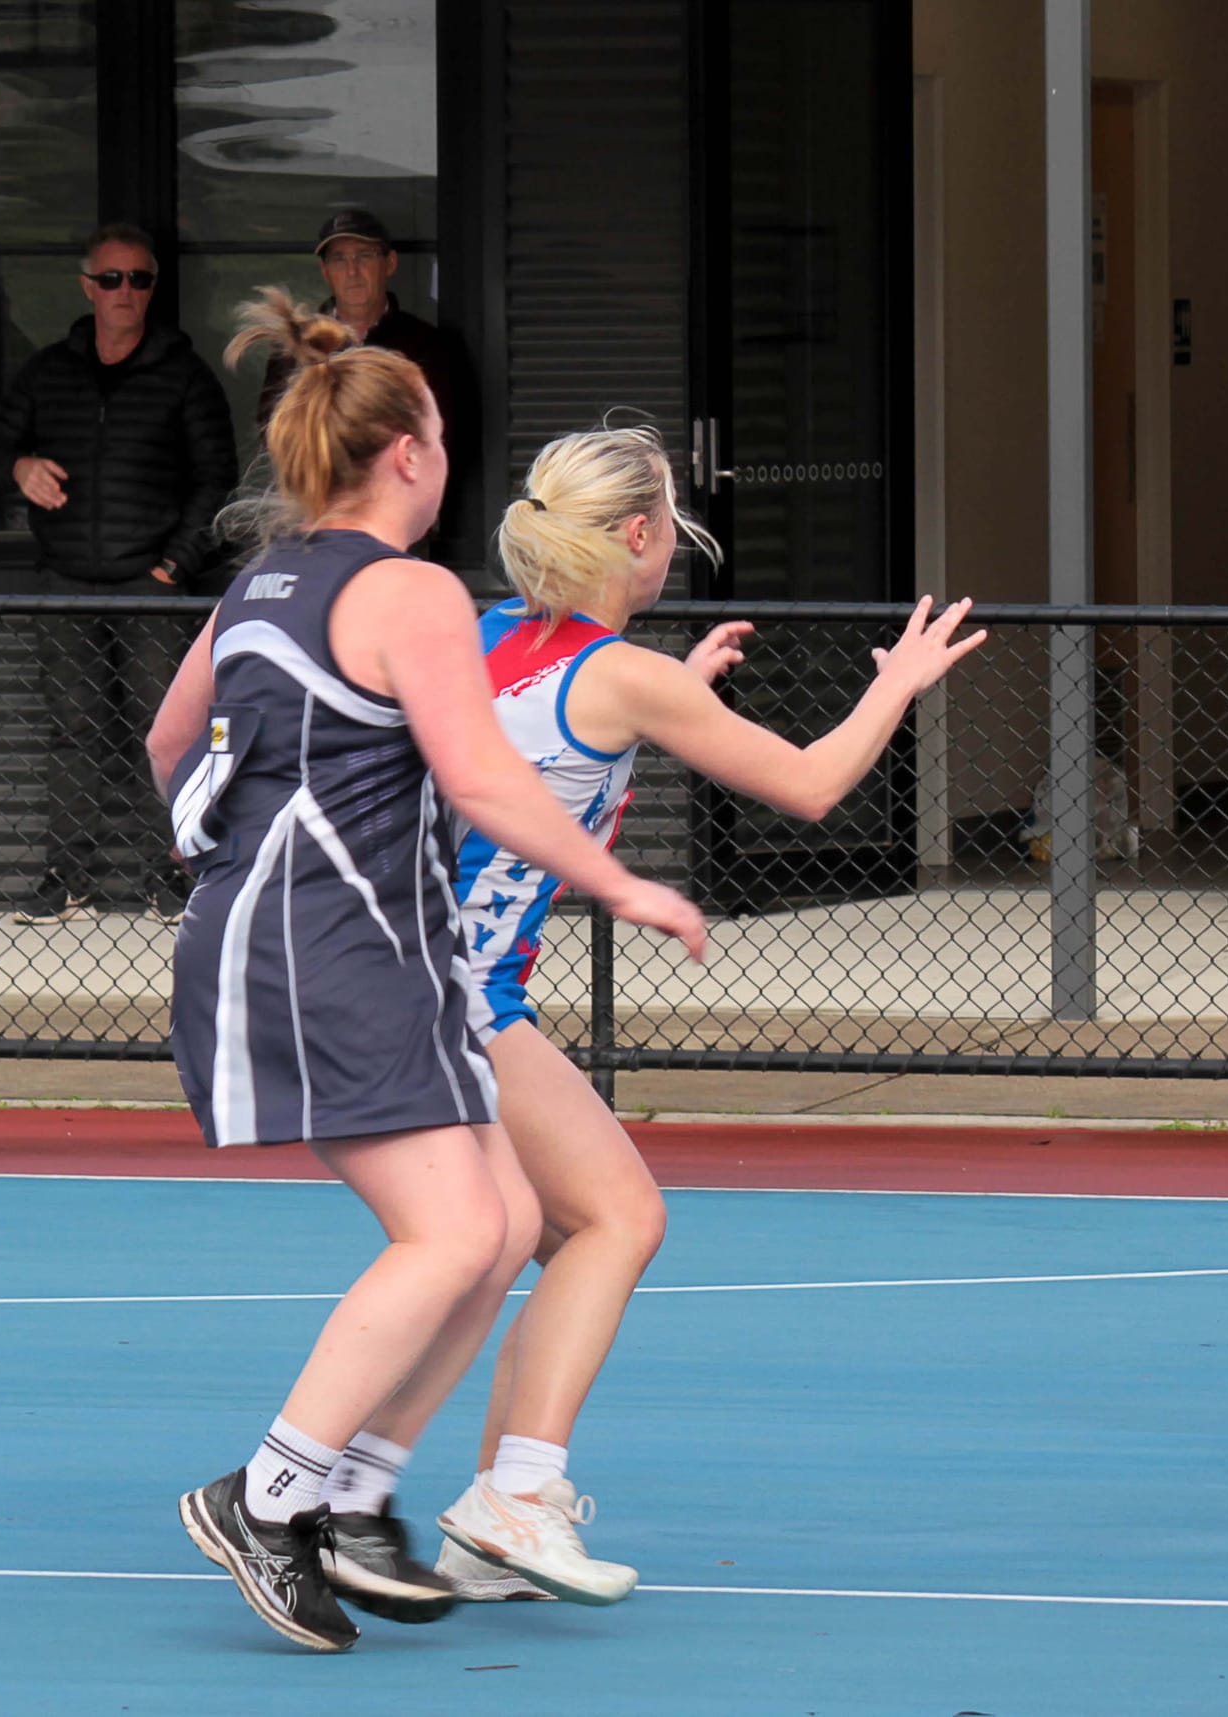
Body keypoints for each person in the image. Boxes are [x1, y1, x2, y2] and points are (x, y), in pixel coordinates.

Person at [299, 423, 979, 1605]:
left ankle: (479, 1511)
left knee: (558, 1240)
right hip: (464, 993)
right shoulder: (622, 677)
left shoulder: (488, 633)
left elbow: (535, 737)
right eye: (671, 522)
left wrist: (683, 693)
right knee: (620, 1219)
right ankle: (495, 1489)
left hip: (400, 972)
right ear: (636, 536)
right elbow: (812, 784)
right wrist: (893, 685)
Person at [151, 290, 706, 1652]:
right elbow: (483, 779)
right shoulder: (409, 591)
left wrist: (236, 853)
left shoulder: (263, 581)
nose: (451, 453)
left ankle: (349, 1499)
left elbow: (171, 745)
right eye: (445, 432)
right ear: (408, 451)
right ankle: (270, 1493)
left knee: (507, 1221)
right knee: (458, 1230)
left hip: (298, 933)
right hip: (334, 945)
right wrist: (621, 879)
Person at [0, 222, 238, 924]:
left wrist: (173, 565)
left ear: (152, 289)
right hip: (64, 583)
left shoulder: (184, 375)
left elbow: (218, 481)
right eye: (113, 279)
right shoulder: (48, 372)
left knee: (169, 732)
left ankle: (174, 874)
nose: (127, 292)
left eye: (140, 279)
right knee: (73, 734)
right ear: (89, 287)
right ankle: (68, 877)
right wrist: (18, 468)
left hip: (151, 587)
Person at [255, 209, 474, 543]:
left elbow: (444, 438)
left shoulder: (428, 345)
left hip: (401, 522)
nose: (352, 271)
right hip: (316, 519)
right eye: (340, 259)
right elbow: (274, 432)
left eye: (364, 256)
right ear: (325, 272)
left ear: (390, 263)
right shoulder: (298, 344)